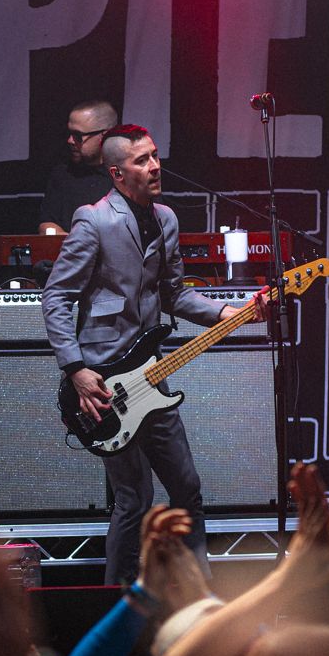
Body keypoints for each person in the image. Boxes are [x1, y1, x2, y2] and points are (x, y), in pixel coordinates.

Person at [41, 125, 255, 584]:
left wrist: (227, 312)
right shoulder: (93, 220)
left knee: (187, 489)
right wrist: (75, 368)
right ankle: (115, 602)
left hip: (150, 376)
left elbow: (175, 295)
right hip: (101, 382)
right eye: (142, 161)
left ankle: (197, 595)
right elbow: (57, 298)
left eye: (155, 156)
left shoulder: (166, 218)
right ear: (117, 173)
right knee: (133, 500)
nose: (155, 166)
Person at [38, 100, 118, 234]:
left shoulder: (126, 176)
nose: (70, 140)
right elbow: (46, 225)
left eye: (78, 136)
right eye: (69, 133)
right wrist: (73, 243)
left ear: (105, 135)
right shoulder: (62, 175)